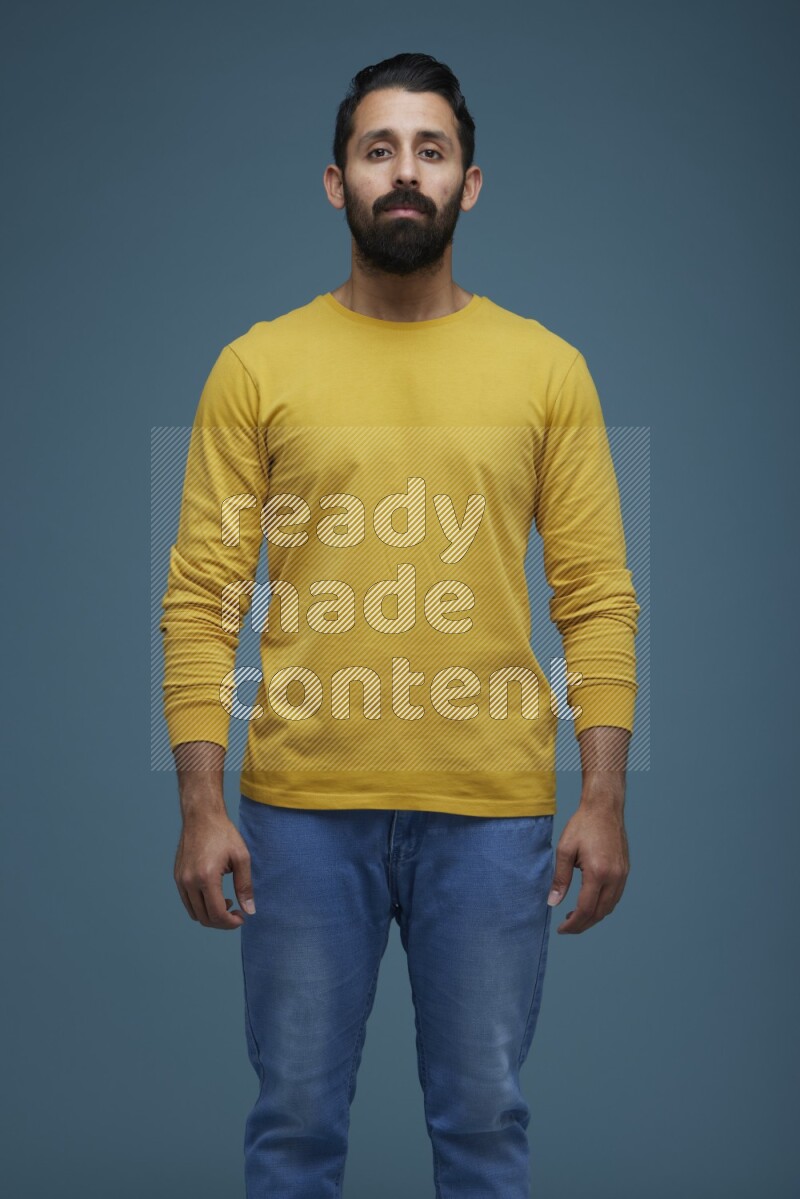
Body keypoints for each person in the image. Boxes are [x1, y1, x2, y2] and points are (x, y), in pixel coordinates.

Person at [160, 51, 640, 1199]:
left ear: (469, 182)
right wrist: (201, 803)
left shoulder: (545, 370)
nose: (405, 172)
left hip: (490, 815)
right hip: (296, 816)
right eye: (380, 150)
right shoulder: (256, 365)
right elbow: (204, 591)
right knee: (292, 1128)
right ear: (337, 182)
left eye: (430, 150)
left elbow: (594, 592)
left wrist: (601, 796)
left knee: (482, 1127)